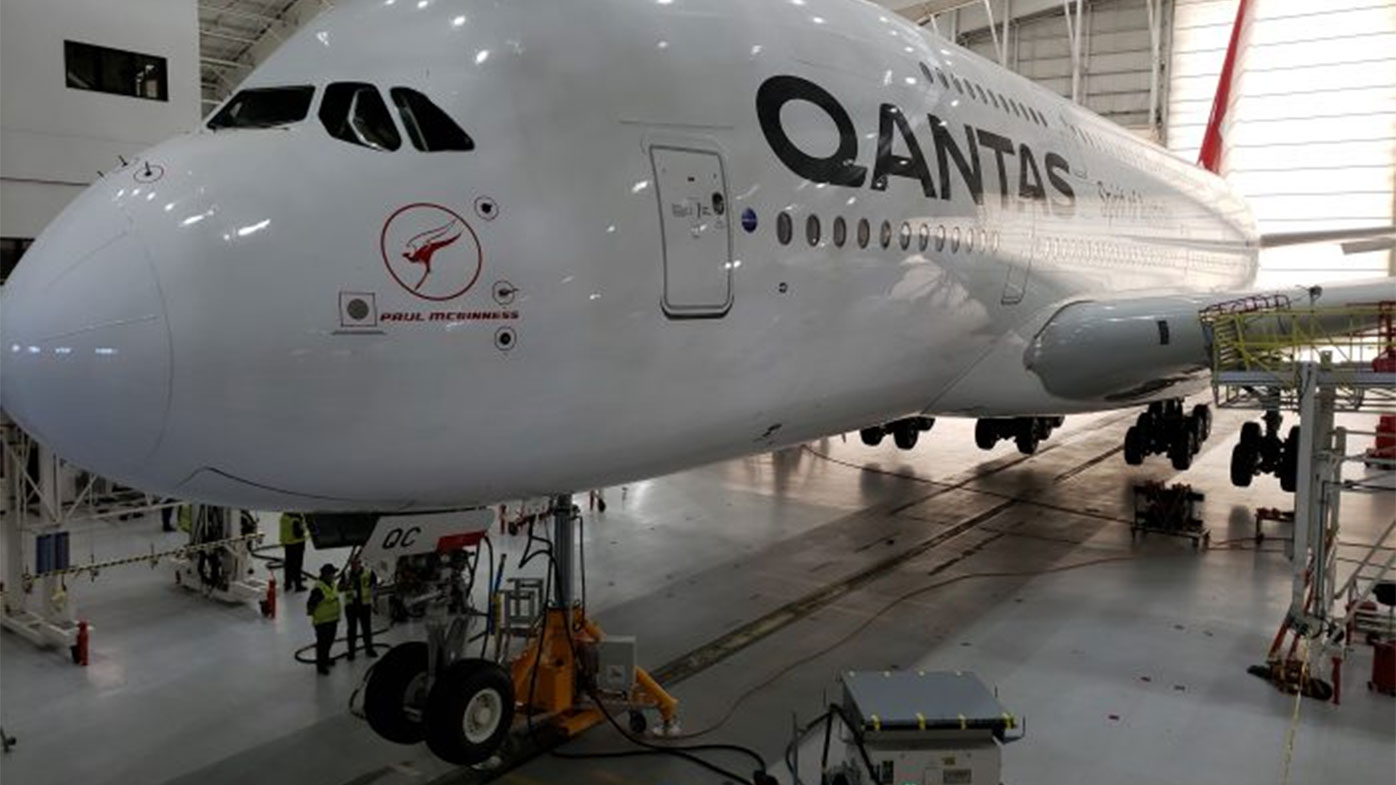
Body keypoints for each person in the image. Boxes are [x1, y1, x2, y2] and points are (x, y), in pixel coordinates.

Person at [339, 555, 378, 660]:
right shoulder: (346, 574)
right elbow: (339, 588)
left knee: (367, 629)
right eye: (352, 563)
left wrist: (375, 603)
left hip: (364, 605)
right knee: (351, 630)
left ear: (360, 563)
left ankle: (369, 649)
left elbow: (374, 588)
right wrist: (346, 585)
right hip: (351, 606)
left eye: (356, 563)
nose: (354, 565)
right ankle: (351, 652)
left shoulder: (369, 572)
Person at [306, 564, 341, 675]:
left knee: (329, 641)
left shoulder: (332, 584)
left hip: (333, 619)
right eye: (332, 574)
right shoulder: (318, 589)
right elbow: (311, 604)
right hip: (322, 622)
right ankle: (321, 665)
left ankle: (326, 659)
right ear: (326, 575)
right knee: (322, 644)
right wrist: (314, 614)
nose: (333, 575)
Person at [279, 512, 308, 592]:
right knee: (297, 564)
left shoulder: (284, 517)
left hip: (288, 543)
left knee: (288, 564)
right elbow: (298, 534)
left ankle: (287, 583)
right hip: (297, 544)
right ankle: (298, 585)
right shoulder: (295, 520)